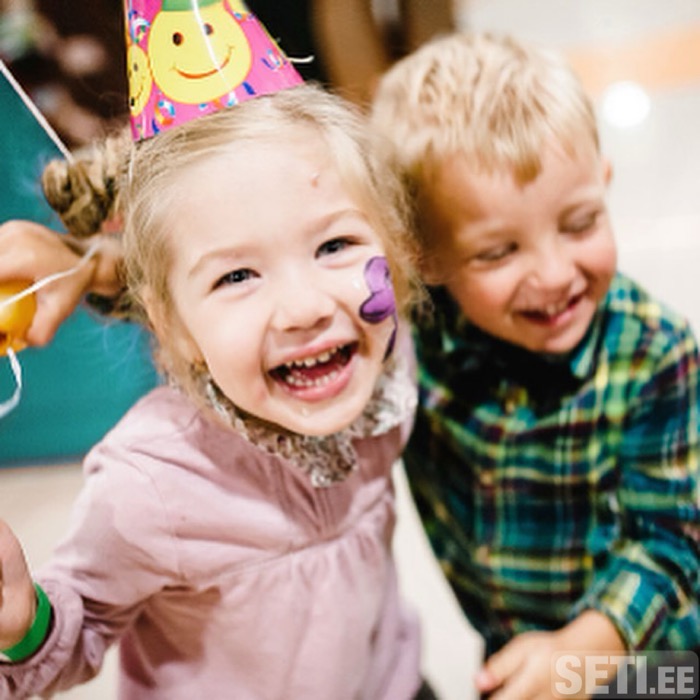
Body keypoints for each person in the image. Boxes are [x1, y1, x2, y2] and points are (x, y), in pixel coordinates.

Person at [0, 75, 443, 698]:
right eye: (237, 276)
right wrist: (23, 625)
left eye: (335, 245)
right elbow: (74, 638)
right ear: (170, 326)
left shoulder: (388, 372)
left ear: (396, 253)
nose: (304, 309)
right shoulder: (151, 483)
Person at [370, 31, 700, 698]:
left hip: (652, 660)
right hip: (515, 648)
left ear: (604, 183)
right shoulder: (410, 344)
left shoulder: (656, 353)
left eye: (579, 224)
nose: (553, 274)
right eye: (498, 252)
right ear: (423, 256)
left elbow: (674, 540)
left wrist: (583, 652)